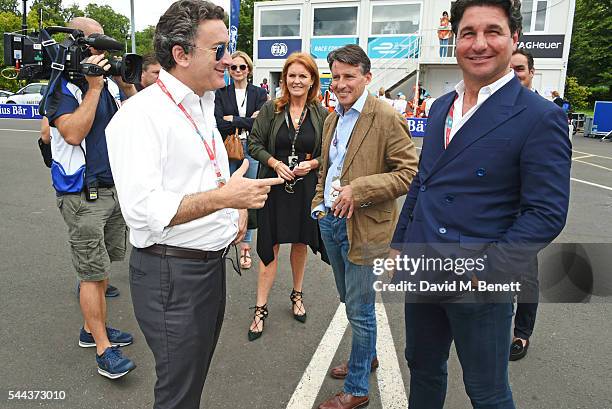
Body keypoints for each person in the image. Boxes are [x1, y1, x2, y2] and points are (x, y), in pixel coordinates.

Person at [391, 0, 571, 408]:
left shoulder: (538, 116)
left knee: (487, 391)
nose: (479, 44)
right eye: (468, 33)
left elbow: (546, 213)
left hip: (479, 280)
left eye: (493, 32)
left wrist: (486, 270)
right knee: (422, 367)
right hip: (425, 267)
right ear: (455, 40)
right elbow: (424, 181)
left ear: (514, 39)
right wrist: (402, 241)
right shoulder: (440, 108)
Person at [105, 1, 283, 408]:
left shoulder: (203, 103)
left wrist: (234, 206)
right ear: (181, 54)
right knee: (178, 393)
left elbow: (208, 180)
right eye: (217, 49)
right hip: (172, 272)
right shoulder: (140, 117)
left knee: (191, 380)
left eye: (229, 46)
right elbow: (144, 211)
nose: (229, 59)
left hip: (204, 268)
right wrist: (226, 198)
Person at [312, 44, 418, 409]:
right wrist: (318, 205)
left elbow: (408, 173)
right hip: (331, 223)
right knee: (349, 300)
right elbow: (328, 170)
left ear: (367, 78)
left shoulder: (385, 116)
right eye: (336, 77)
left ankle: (357, 388)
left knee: (359, 309)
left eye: (349, 77)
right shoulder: (332, 118)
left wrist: (360, 190)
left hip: (366, 227)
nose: (341, 84)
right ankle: (366, 356)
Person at [45, 16, 137, 380]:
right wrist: (94, 88)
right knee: (91, 272)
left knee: (105, 266)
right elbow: (71, 133)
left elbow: (131, 121)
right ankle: (102, 347)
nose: (100, 50)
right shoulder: (63, 86)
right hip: (82, 195)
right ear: (76, 44)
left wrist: (122, 84)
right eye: (94, 43)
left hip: (112, 189)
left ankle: (91, 327)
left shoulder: (107, 84)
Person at [247, 52, 329, 341]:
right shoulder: (271, 109)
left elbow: (329, 151)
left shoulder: (321, 113)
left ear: (312, 81)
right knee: (270, 246)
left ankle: (297, 294)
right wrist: (275, 163)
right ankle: (260, 307)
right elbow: (255, 144)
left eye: (302, 76)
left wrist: (314, 163)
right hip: (274, 185)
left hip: (304, 187)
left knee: (300, 242)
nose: (296, 81)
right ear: (284, 79)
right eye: (291, 75)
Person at [214, 50, 268, 269]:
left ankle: (246, 247)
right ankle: (225, 239)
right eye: (233, 67)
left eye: (242, 67)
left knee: (249, 196)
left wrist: (234, 119)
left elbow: (261, 123)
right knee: (226, 194)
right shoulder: (220, 92)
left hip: (252, 148)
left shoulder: (258, 93)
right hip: (228, 148)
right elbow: (219, 123)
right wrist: (247, 119)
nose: (237, 70)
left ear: (249, 70)